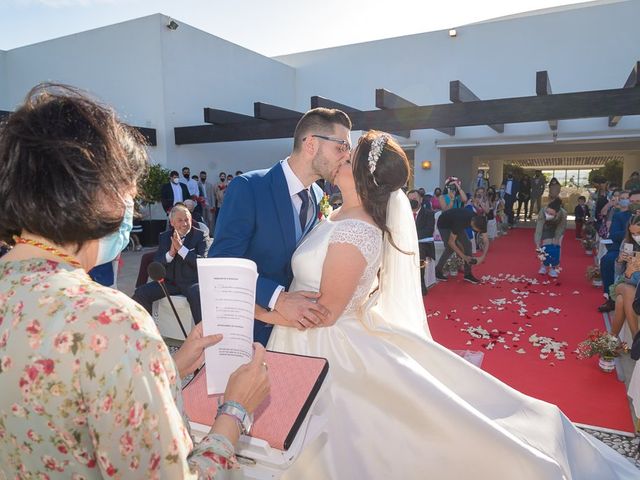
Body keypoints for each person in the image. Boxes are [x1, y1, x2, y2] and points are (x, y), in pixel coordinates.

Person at [262, 130, 638, 479]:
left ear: (362, 176)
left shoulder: (355, 230)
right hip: (306, 337)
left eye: (348, 156)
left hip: (325, 344)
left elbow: (324, 313)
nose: (340, 156)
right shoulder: (336, 214)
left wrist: (257, 306)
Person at [0, 83, 270, 477]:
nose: (133, 206)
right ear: (102, 194)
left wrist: (167, 367)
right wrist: (235, 410)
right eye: (129, 189)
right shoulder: (109, 322)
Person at [209, 107, 352, 345]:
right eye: (341, 147)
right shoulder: (250, 188)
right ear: (311, 144)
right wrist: (278, 299)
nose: (345, 156)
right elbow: (221, 264)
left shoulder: (317, 196)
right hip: (246, 330)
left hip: (294, 336)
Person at [133, 204, 207, 324]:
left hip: (191, 283)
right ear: (172, 223)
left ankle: (202, 333)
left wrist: (182, 250)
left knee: (197, 294)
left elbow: (203, 262)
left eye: (187, 220)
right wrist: (171, 253)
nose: (184, 224)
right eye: (180, 220)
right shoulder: (165, 237)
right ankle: (148, 330)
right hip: (169, 283)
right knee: (141, 293)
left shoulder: (200, 236)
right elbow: (157, 262)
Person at [598, 191, 640, 313]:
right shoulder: (620, 216)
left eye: (638, 202)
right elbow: (614, 235)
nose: (634, 204)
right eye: (632, 201)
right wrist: (631, 229)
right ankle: (611, 298)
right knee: (608, 260)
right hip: (622, 247)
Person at [435, 206, 488, 284]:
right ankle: (438, 270)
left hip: (455, 220)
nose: (476, 232)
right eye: (475, 230)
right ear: (472, 224)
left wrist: (483, 257)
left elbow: (486, 240)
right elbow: (451, 242)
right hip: (444, 223)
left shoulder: (480, 221)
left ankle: (468, 274)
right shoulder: (460, 222)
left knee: (468, 244)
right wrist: (464, 257)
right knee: (450, 248)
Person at [610, 215, 640, 337]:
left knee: (621, 301)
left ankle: (611, 339)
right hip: (624, 283)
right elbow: (618, 274)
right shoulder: (627, 242)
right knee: (628, 289)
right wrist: (620, 260)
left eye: (638, 233)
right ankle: (636, 337)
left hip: (636, 286)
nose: (636, 236)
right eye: (633, 233)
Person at [408, 189, 435, 296]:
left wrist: (410, 236)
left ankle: (421, 282)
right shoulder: (403, 214)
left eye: (414, 199)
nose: (412, 201)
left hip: (423, 244)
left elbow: (428, 231)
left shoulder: (428, 213)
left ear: (421, 199)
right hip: (406, 244)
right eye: (409, 199)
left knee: (420, 249)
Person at [534, 198, 567, 278]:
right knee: (545, 246)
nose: (548, 214)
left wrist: (556, 238)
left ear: (557, 213)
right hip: (546, 227)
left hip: (558, 228)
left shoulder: (563, 214)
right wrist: (537, 243)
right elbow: (539, 227)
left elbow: (561, 227)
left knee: (556, 248)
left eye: (551, 214)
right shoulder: (542, 211)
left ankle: (553, 268)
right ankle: (544, 265)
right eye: (547, 212)